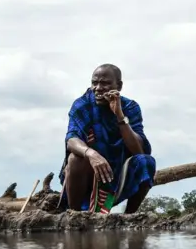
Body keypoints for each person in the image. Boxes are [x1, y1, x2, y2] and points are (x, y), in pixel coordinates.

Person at [58, 64, 156, 214]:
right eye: (94, 83)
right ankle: (75, 215)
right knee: (75, 159)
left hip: (118, 176)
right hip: (86, 177)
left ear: (119, 85)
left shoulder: (130, 107)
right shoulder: (82, 105)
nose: (98, 88)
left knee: (147, 162)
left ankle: (129, 217)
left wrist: (119, 116)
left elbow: (138, 150)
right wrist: (92, 154)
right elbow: (71, 139)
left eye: (105, 83)